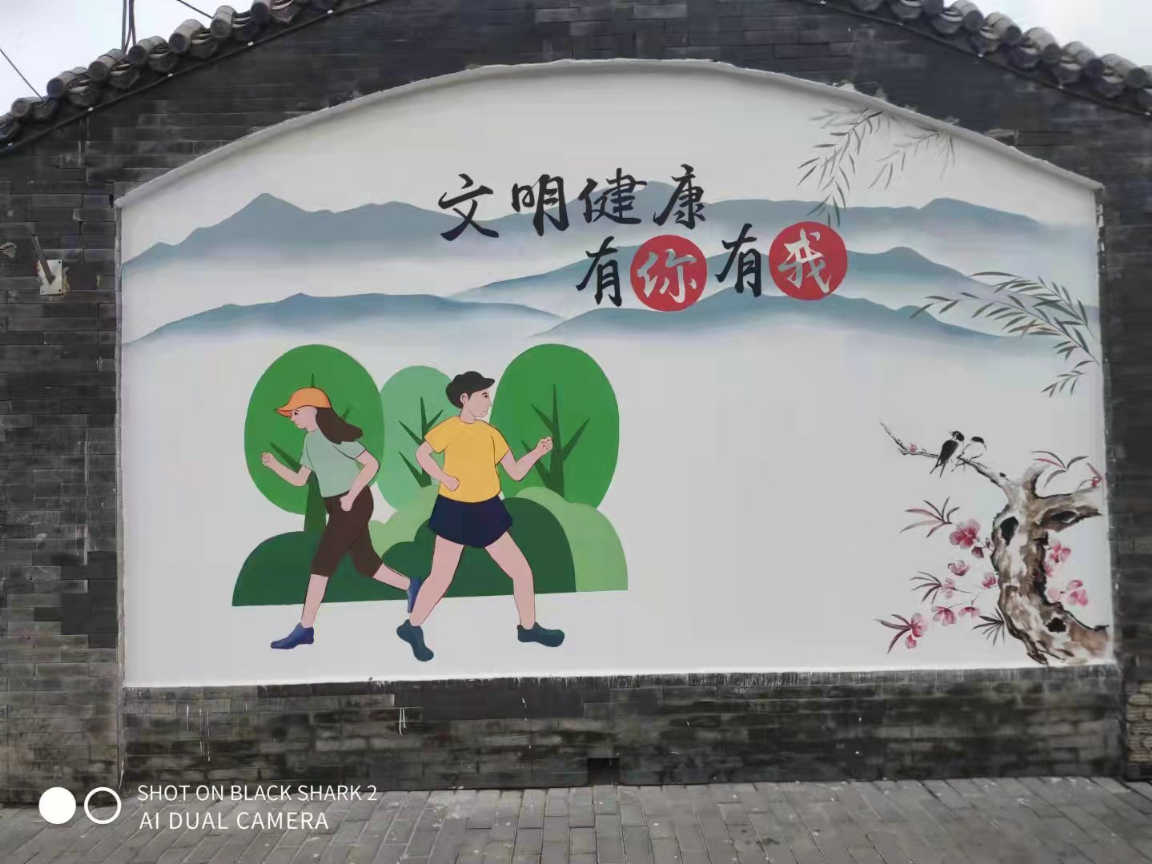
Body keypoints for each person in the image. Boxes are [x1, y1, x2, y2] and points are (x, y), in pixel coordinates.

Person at [396, 371, 565, 662]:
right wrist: (444, 478)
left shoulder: (491, 434)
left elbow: (515, 472)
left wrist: (538, 452)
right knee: (441, 577)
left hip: (487, 510)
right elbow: (422, 454)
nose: (489, 401)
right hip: (454, 510)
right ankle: (411, 627)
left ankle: (528, 628)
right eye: (484, 395)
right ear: (465, 398)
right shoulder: (449, 428)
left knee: (522, 571)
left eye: (489, 395)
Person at [261, 386, 420, 649]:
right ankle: (411, 585)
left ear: (314, 410)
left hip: (354, 502)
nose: (292, 418)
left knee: (322, 562)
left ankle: (305, 628)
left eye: (296, 412)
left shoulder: (335, 436)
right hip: (336, 506)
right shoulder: (309, 441)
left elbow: (371, 464)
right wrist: (274, 465)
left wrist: (351, 495)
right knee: (366, 563)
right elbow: (300, 480)